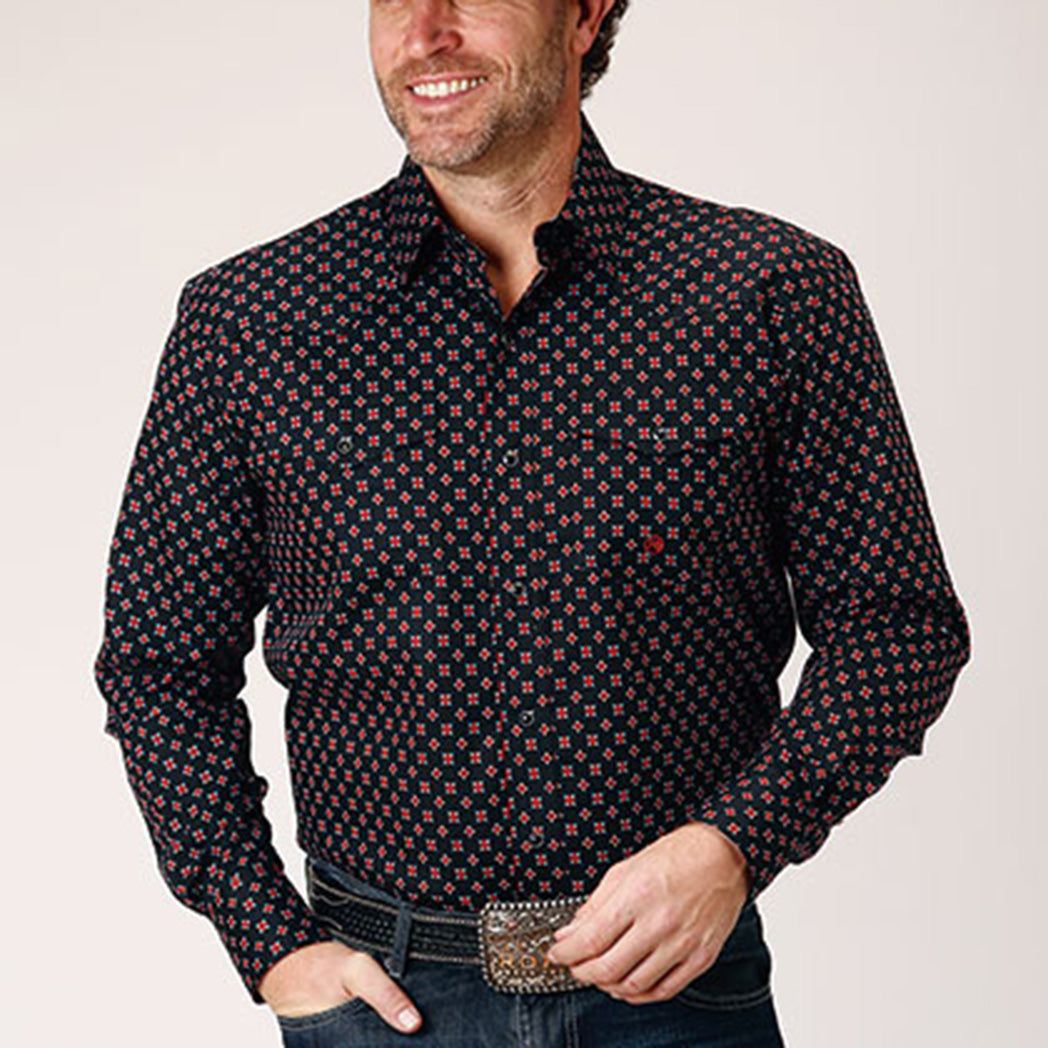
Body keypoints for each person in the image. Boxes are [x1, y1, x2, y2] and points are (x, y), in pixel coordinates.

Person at [93, 2, 972, 1045]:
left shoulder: (767, 293)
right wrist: (271, 943)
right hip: (384, 1006)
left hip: (678, 1000)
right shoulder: (252, 322)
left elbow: (897, 623)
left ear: (585, 13)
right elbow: (157, 661)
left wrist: (735, 843)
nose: (425, 31)